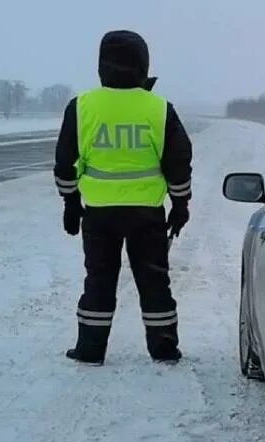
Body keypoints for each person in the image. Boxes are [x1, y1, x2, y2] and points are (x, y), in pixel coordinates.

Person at [53, 30, 192, 366]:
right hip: (147, 214)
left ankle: (90, 350)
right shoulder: (159, 109)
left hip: (98, 214)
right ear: (143, 65)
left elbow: (65, 161)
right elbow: (178, 161)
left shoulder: (82, 106)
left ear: (102, 65)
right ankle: (163, 349)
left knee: (99, 279)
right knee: (154, 280)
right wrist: (180, 204)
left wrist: (71, 204)